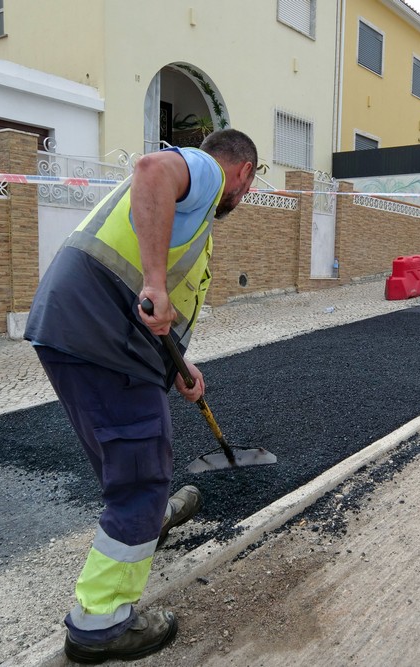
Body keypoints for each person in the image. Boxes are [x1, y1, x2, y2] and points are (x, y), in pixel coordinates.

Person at [24, 128, 258, 663]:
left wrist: (177, 362)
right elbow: (150, 169)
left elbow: (156, 299)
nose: (239, 197)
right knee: (140, 475)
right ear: (243, 172)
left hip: (85, 327)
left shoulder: (187, 213)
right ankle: (99, 623)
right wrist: (154, 281)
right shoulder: (206, 170)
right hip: (102, 333)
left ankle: (147, 519)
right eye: (246, 187)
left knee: (132, 456)